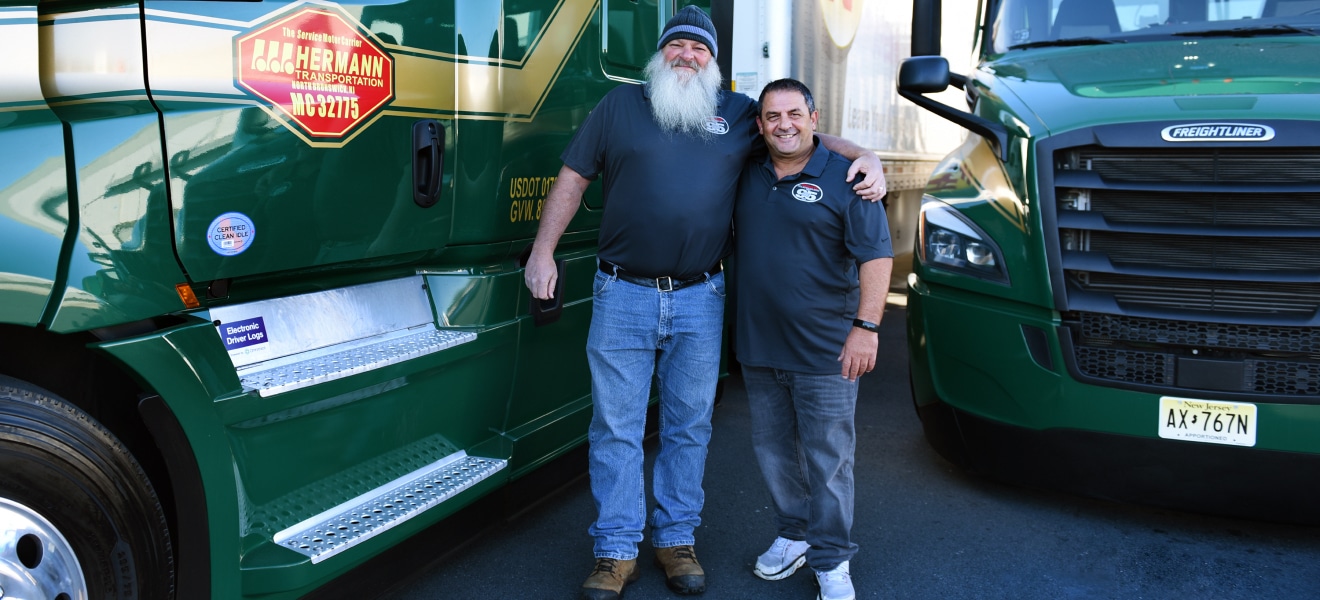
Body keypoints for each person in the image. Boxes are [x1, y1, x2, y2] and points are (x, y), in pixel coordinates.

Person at [522, 8, 887, 600]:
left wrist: (864, 155)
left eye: (700, 47)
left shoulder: (739, 112)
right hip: (623, 293)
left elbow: (800, 135)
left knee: (688, 426)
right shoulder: (619, 106)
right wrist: (544, 253)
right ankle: (615, 551)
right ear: (659, 54)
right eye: (678, 45)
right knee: (616, 426)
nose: (688, 55)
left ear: (713, 60)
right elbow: (572, 177)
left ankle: (675, 541)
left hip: (700, 297)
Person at [733, 78, 893, 600]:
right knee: (775, 453)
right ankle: (793, 534)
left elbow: (876, 258)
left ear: (814, 118)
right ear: (759, 125)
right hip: (760, 347)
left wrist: (866, 329)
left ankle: (831, 560)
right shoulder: (746, 171)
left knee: (828, 460)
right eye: (773, 116)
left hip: (826, 350)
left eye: (795, 114)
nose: (785, 125)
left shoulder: (851, 179)